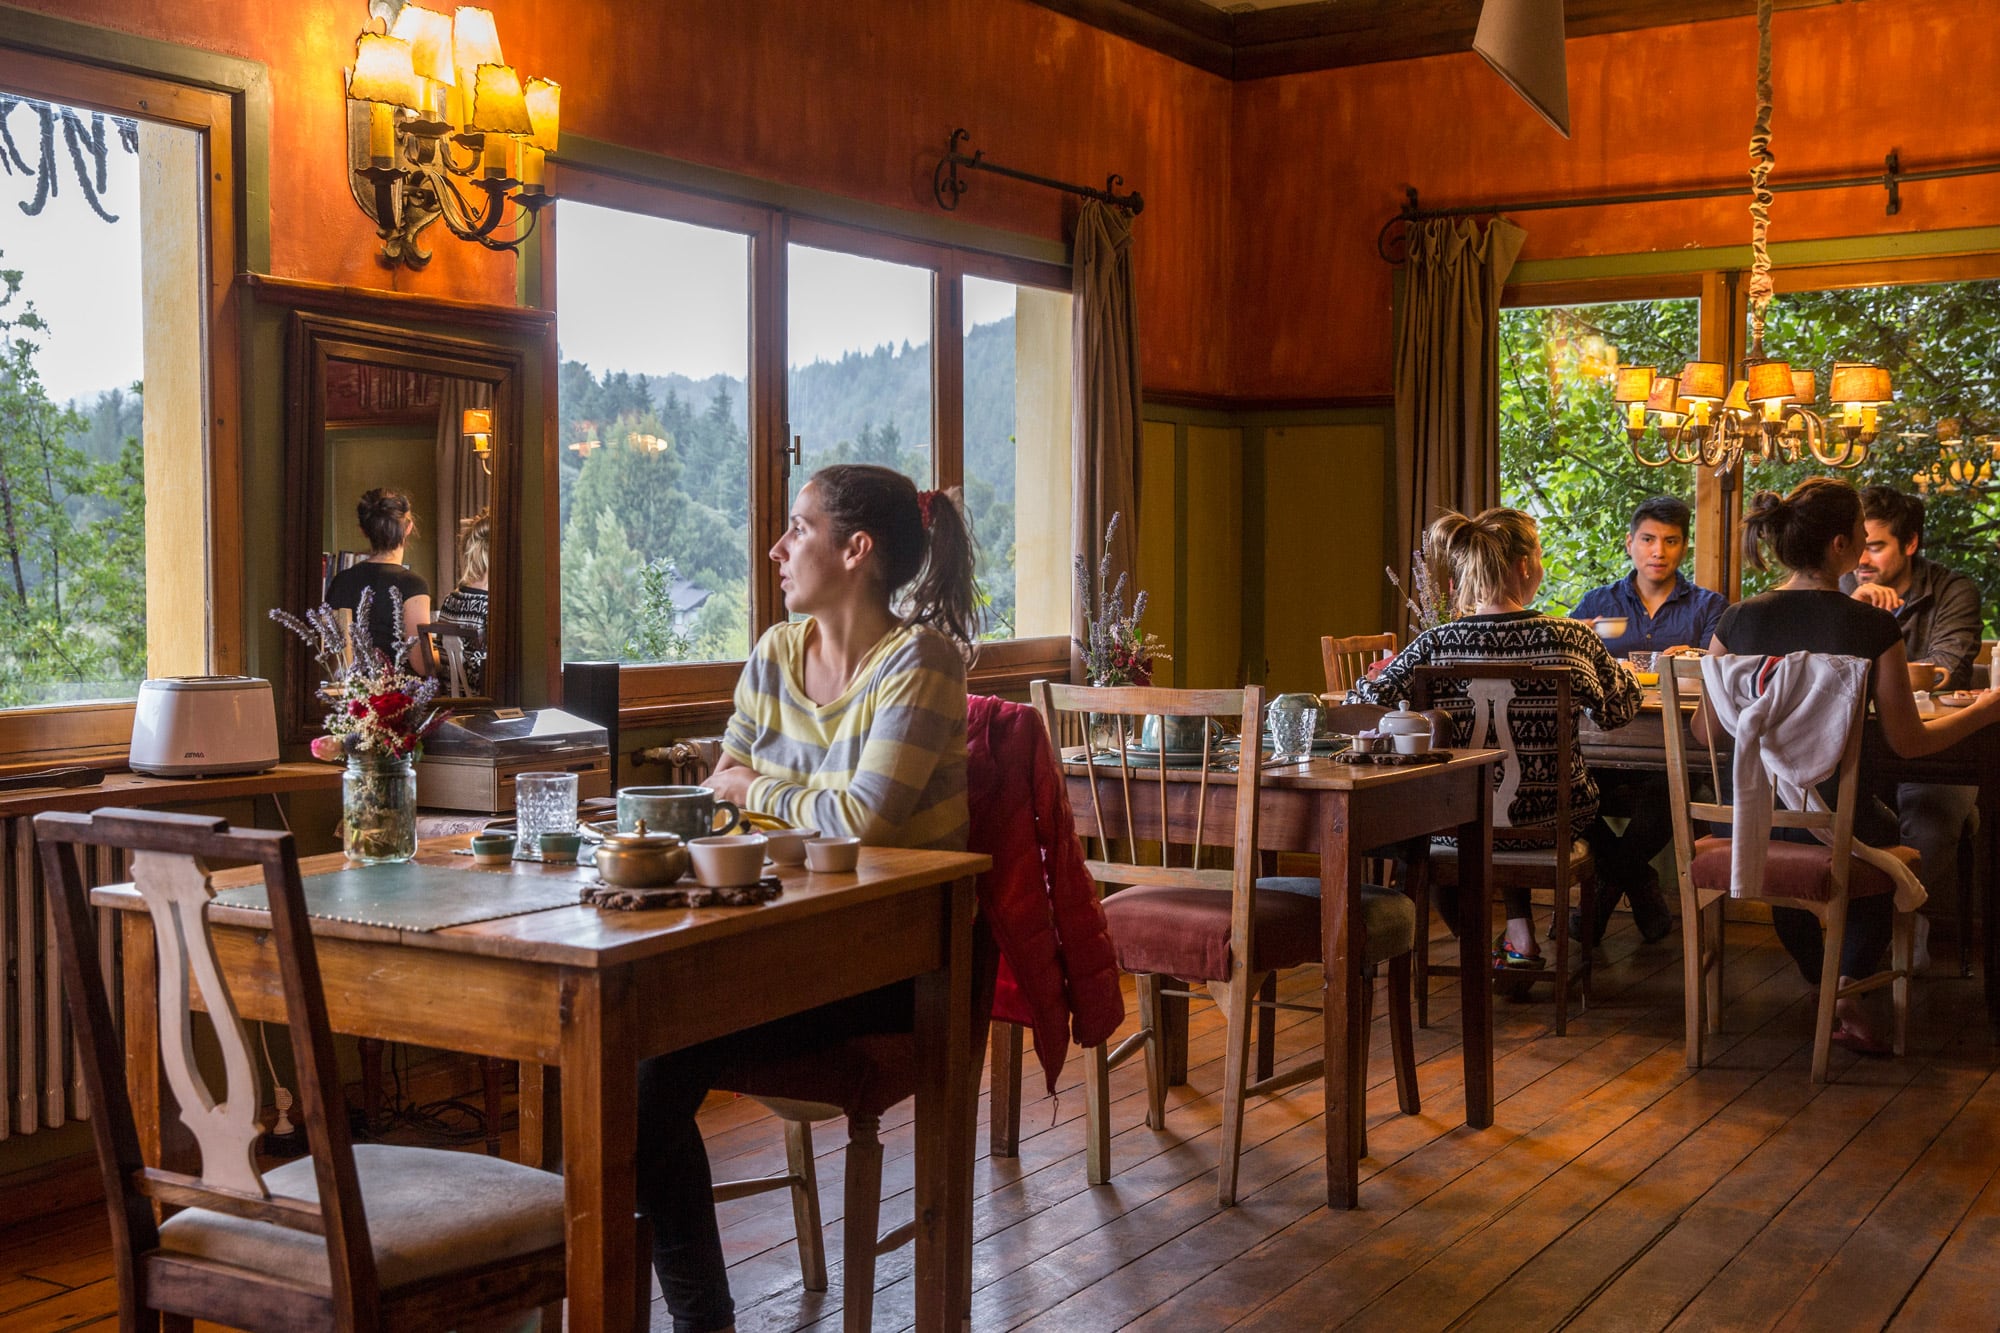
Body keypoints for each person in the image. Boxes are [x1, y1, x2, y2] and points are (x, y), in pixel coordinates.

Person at [635, 463, 978, 1333]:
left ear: (856, 549)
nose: (777, 547)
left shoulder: (924, 661)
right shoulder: (775, 653)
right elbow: (719, 795)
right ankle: (704, 1321)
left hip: (893, 963)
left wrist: (759, 787)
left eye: (798, 527)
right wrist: (759, 791)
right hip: (781, 944)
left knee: (650, 1070)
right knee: (638, 1064)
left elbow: (862, 816)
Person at [1704, 477, 2000, 1053]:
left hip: (1744, 815)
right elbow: (1909, 742)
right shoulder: (1868, 627)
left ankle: (1827, 985)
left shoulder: (1736, 619)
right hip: (1832, 814)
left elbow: (1706, 731)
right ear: (1840, 547)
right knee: (1882, 839)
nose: (1865, 554)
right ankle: (1846, 989)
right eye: (1861, 540)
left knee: (1791, 854)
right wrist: (1988, 711)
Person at [1349, 506, 1641, 968]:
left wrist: (1388, 679)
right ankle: (1514, 941)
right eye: (1541, 555)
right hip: (1555, 817)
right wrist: (1623, 674)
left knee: (1450, 816)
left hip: (1457, 822)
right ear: (1525, 565)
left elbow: (1361, 703)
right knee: (1508, 801)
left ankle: (1483, 951)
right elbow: (1616, 712)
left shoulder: (1436, 643)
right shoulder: (1571, 639)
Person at [1566, 495, 1728, 945]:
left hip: (1676, 744)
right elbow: (1563, 660)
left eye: (1671, 541)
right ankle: (1639, 884)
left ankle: (1602, 894)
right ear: (1630, 544)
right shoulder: (1598, 604)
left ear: (1684, 547)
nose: (1659, 551)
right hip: (1604, 740)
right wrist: (1583, 638)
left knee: (1669, 789)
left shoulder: (1707, 607)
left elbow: (1723, 668)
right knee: (1571, 788)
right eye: (1649, 539)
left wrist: (1694, 657)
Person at [1840, 485, 1982, 966]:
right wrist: (1855, 610)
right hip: (1858, 749)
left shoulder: (1951, 590)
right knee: (1846, 808)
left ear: (1911, 543)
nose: (1863, 558)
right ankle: (1867, 942)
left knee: (1928, 814)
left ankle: (1897, 924)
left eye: (1876, 546)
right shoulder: (1843, 590)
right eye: (1859, 543)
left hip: (1936, 751)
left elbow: (1948, 669)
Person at [325, 487, 430, 668]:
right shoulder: (413, 586)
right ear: (409, 528)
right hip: (396, 693)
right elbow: (420, 663)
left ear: (363, 531)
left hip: (350, 692)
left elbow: (332, 655)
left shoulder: (341, 581)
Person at [432, 510, 490, 693]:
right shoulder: (490, 607)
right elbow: (483, 673)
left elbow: (442, 660)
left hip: (451, 699)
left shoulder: (450, 600)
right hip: (484, 703)